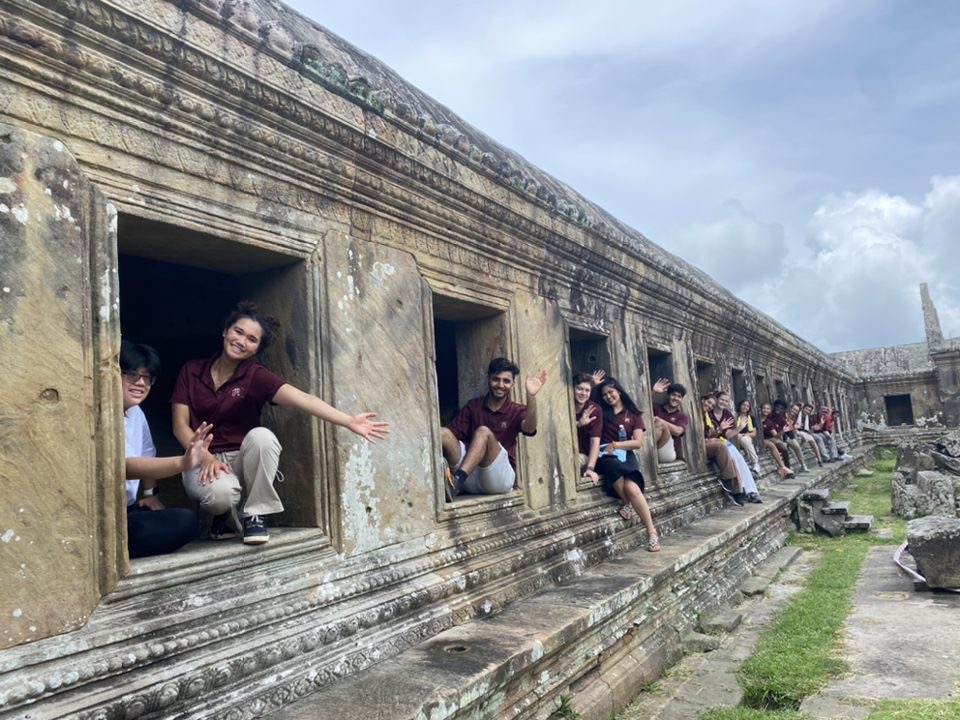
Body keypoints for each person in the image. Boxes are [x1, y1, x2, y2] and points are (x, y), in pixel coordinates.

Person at [172, 302, 389, 546]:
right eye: (238, 331)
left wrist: (349, 421)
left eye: (252, 339)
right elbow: (180, 425)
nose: (242, 341)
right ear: (225, 331)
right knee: (221, 497)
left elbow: (302, 399)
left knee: (262, 437)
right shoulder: (191, 370)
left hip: (243, 459)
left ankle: (255, 514)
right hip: (200, 458)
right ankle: (225, 515)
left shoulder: (255, 376)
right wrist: (205, 456)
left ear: (256, 349)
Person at [121, 340, 206, 558]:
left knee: (186, 521)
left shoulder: (136, 412)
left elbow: (147, 452)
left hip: (128, 509)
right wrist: (183, 463)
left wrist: (150, 494)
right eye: (132, 375)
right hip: (104, 516)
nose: (141, 383)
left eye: (147, 378)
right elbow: (125, 467)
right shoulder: (100, 412)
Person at [442, 357, 547, 498]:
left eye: (506, 381)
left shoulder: (516, 410)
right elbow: (453, 435)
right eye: (496, 379)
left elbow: (529, 427)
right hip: (471, 475)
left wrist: (531, 396)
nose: (500, 385)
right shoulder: (474, 406)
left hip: (497, 478)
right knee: (442, 433)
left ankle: (457, 481)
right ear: (489, 379)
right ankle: (448, 482)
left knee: (483, 432)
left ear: (513, 384)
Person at [592, 376, 660, 551]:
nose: (608, 396)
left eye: (611, 392)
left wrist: (617, 445)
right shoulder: (600, 411)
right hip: (605, 455)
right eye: (605, 394)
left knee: (633, 489)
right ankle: (626, 502)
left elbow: (638, 442)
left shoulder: (634, 415)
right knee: (611, 465)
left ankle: (651, 532)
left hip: (625, 454)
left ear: (619, 392)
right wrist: (593, 385)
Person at [701, 395, 746, 506]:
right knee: (722, 447)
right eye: (708, 403)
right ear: (702, 400)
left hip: (715, 442)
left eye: (711, 404)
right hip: (701, 446)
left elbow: (722, 434)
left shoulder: (708, 414)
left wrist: (739, 428)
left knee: (733, 458)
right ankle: (728, 479)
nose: (709, 406)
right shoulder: (702, 413)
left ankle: (738, 490)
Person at [572, 372, 602, 484]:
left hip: (582, 455)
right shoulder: (564, 405)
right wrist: (578, 424)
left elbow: (595, 442)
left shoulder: (594, 410)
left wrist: (590, 468)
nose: (583, 393)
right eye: (579, 389)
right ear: (572, 389)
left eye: (587, 390)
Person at [651, 378, 689, 463]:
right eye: (673, 395)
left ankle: (648, 449)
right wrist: (654, 392)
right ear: (668, 395)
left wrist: (660, 420)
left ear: (682, 399)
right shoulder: (657, 408)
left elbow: (678, 431)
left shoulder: (682, 416)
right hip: (653, 449)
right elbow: (642, 408)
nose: (675, 398)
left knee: (660, 424)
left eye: (679, 396)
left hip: (667, 452)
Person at [759, 403, 795, 478]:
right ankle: (782, 467)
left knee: (783, 448)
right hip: (759, 439)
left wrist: (783, 431)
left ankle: (787, 469)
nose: (766, 410)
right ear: (760, 409)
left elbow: (775, 435)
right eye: (764, 408)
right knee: (772, 445)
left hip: (769, 438)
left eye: (768, 409)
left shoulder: (769, 421)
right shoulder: (756, 418)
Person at [779, 401, 810, 473]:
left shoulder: (794, 419)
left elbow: (791, 430)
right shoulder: (782, 415)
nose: (794, 411)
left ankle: (803, 465)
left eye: (796, 411)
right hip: (780, 435)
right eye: (793, 409)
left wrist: (793, 428)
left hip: (788, 436)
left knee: (797, 446)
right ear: (790, 408)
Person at [734, 399, 762, 474]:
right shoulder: (735, 416)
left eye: (747, 406)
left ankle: (755, 463)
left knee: (745, 440)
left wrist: (743, 435)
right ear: (740, 405)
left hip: (745, 437)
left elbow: (754, 434)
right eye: (743, 405)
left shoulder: (751, 418)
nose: (745, 407)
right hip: (734, 436)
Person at [792, 402, 824, 467]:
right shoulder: (797, 415)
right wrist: (796, 426)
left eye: (809, 410)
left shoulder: (809, 418)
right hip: (795, 431)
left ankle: (819, 460)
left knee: (813, 441)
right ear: (803, 409)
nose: (807, 411)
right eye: (806, 409)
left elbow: (809, 431)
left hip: (804, 432)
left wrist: (814, 428)